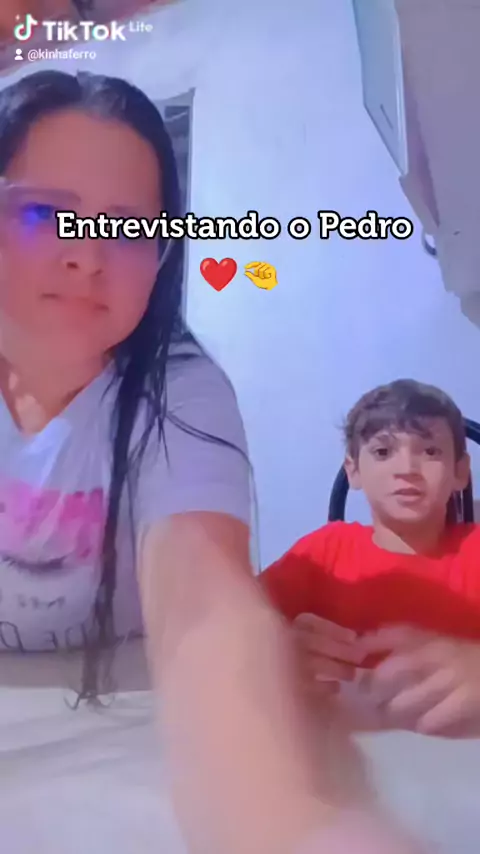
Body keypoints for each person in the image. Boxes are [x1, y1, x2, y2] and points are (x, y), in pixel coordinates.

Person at [0, 70, 421, 854]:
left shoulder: (180, 391)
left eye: (130, 229)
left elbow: (201, 598)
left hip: (131, 721)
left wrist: (284, 821)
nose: (88, 255)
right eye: (45, 213)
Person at [261, 379, 480, 737]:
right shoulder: (325, 551)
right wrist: (275, 647)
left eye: (430, 451)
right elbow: (232, 622)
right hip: (347, 749)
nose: (407, 468)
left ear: (460, 472)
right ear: (354, 470)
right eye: (382, 452)